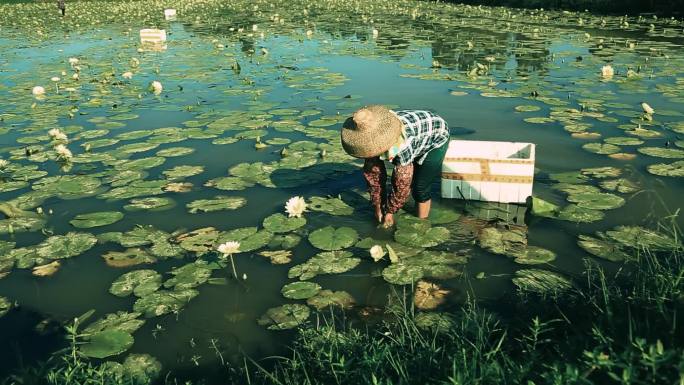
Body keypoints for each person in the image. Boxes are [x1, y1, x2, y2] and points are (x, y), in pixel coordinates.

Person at [340, 105, 450, 227]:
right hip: (417, 134)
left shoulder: (402, 145)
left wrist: (389, 212)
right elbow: (373, 175)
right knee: (379, 168)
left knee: (420, 188)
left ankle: (422, 223)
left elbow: (402, 185)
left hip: (436, 136)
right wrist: (377, 206)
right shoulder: (368, 141)